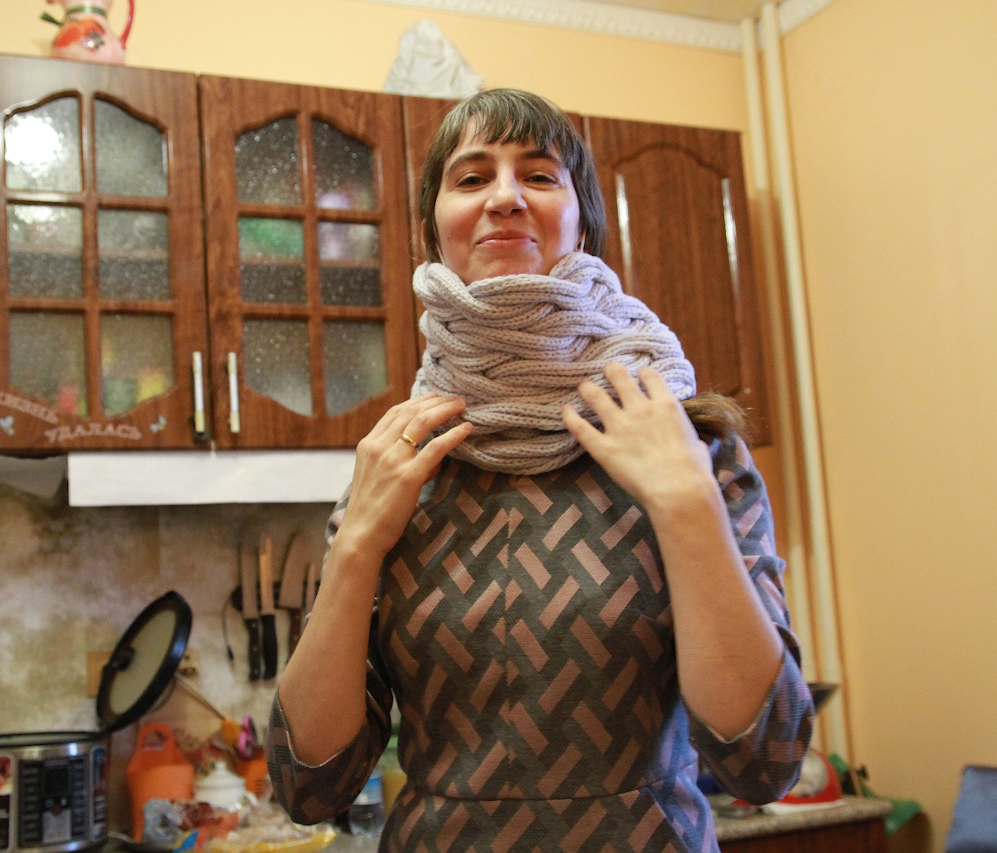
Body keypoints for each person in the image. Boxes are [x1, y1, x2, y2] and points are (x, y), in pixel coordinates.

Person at [268, 88, 814, 852]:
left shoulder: (682, 439)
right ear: (432, 232)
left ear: (581, 224)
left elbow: (764, 760)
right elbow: (308, 785)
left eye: (538, 175)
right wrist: (357, 543)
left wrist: (687, 502)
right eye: (471, 178)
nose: (505, 197)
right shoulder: (401, 461)